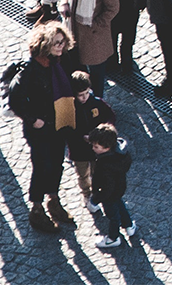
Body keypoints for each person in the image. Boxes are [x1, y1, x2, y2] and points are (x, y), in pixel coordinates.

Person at [7, 21, 78, 233]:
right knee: (41, 166)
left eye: (62, 42)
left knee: (57, 164)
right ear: (45, 44)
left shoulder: (60, 61)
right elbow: (15, 100)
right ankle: (36, 209)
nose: (60, 46)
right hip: (40, 127)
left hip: (58, 122)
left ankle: (53, 200)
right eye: (56, 43)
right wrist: (33, 120)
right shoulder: (30, 70)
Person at [65, 70, 115, 211]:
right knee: (82, 174)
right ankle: (86, 193)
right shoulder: (70, 108)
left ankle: (96, 193)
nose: (84, 97)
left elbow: (110, 116)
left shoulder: (96, 103)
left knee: (96, 172)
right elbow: (66, 129)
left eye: (86, 93)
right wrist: (80, 136)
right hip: (78, 149)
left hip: (96, 149)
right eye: (80, 95)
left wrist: (105, 132)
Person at [88, 123, 137, 250]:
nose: (93, 148)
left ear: (107, 147)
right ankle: (129, 226)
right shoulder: (120, 154)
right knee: (120, 205)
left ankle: (113, 238)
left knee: (113, 216)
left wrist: (97, 197)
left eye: (96, 146)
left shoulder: (105, 165)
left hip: (108, 193)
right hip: (119, 188)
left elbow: (107, 187)